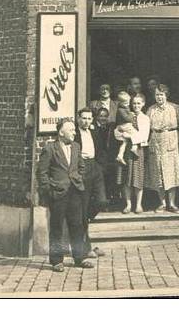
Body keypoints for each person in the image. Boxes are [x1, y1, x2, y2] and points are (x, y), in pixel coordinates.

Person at [37, 118, 94, 272]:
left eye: (75, 130)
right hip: (58, 193)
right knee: (57, 227)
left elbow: (81, 167)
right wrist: (49, 190)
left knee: (77, 225)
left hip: (75, 191)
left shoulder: (76, 147)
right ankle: (56, 260)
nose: (74, 133)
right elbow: (42, 173)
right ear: (61, 132)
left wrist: (78, 179)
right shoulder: (50, 148)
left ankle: (79, 257)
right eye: (71, 130)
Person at [145, 84, 179, 213]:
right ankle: (162, 203)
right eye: (157, 95)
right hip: (155, 141)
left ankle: (172, 203)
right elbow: (145, 128)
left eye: (161, 95)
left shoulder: (175, 108)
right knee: (158, 173)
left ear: (166, 95)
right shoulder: (150, 110)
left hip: (170, 140)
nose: (159, 97)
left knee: (172, 172)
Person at [75, 107, 106, 259]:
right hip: (82, 168)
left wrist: (100, 166)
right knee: (83, 206)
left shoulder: (94, 133)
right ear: (78, 118)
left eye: (89, 118)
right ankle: (86, 248)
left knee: (101, 201)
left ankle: (86, 217)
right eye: (84, 118)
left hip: (95, 167)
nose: (86, 121)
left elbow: (101, 150)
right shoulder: (75, 134)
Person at [116, 94, 150, 214]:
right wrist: (122, 135)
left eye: (138, 103)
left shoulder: (145, 118)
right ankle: (128, 204)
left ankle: (139, 204)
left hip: (138, 149)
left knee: (137, 177)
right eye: (134, 103)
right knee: (127, 177)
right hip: (127, 150)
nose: (136, 106)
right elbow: (118, 131)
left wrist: (130, 136)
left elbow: (144, 136)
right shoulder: (127, 115)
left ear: (143, 104)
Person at [113, 90, 139, 165]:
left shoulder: (125, 107)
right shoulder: (120, 110)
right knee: (135, 134)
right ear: (120, 103)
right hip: (124, 126)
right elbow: (127, 119)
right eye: (125, 103)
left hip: (123, 126)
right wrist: (132, 114)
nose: (127, 104)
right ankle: (134, 147)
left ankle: (120, 155)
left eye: (128, 102)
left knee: (124, 142)